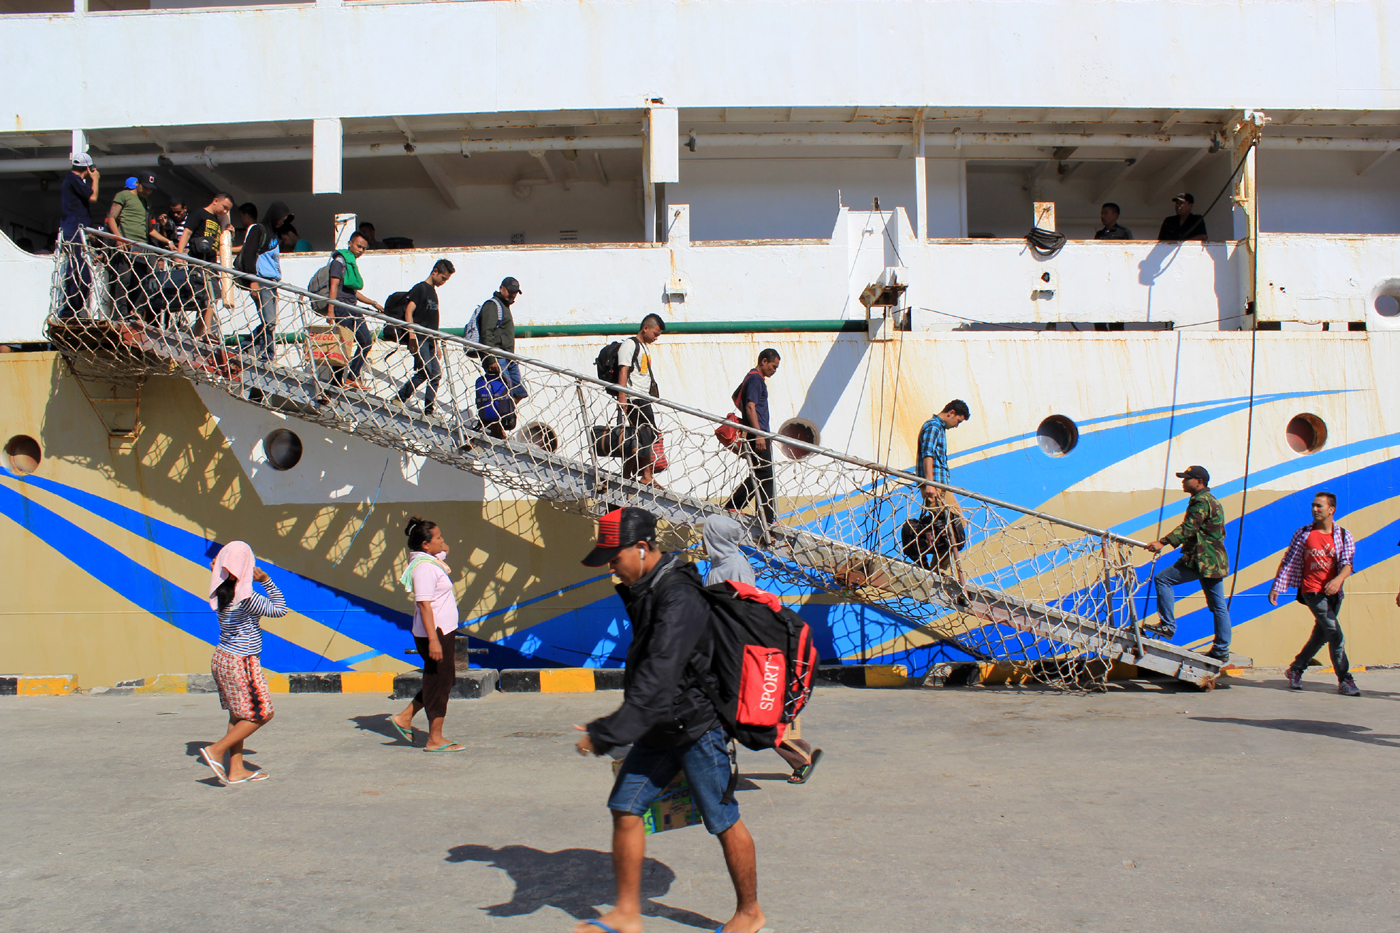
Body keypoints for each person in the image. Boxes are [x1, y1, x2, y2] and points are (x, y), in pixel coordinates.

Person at [574, 508, 768, 933]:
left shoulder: (679, 595)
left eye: (614, 557)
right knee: (625, 807)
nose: (611, 567)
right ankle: (626, 912)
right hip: (661, 725)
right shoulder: (649, 586)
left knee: (723, 819)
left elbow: (661, 675)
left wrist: (606, 732)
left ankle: (750, 912)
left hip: (697, 727)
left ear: (642, 548)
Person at [703, 515, 822, 786]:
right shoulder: (717, 566)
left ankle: (798, 757)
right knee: (723, 713)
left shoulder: (735, 566)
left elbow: (746, 611)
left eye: (706, 534)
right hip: (721, 649)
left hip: (736, 653)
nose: (702, 540)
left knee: (742, 716)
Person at [199, 541, 288, 785]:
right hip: (242, 662)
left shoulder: (222, 590)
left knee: (238, 716)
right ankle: (216, 750)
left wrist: (219, 571)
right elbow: (280, 610)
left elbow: (225, 576)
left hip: (223, 657)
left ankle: (236, 769)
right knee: (262, 713)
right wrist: (267, 580)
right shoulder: (247, 597)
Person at [1270, 492, 1360, 696]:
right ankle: (1345, 679)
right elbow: (1288, 560)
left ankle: (1296, 668)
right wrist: (1277, 586)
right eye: (1313, 506)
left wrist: (1337, 581)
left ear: (1331, 510)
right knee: (1336, 635)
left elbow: (1347, 564)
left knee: (1321, 637)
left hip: (1334, 594)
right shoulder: (1303, 534)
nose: (1315, 509)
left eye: (1319, 506)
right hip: (1311, 591)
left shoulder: (1344, 535)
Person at [389, 516, 466, 751]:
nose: (443, 541)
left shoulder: (428, 559)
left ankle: (404, 717)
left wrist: (441, 546)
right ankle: (434, 739)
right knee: (440, 682)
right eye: (438, 537)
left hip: (442, 631)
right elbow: (424, 604)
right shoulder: (423, 568)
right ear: (425, 544)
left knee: (444, 679)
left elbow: (445, 551)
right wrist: (433, 640)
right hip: (436, 633)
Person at [1142, 465, 1232, 661]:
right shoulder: (1212, 501)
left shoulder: (1200, 501)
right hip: (1214, 561)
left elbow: (1189, 528)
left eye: (1187, 478)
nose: (1183, 481)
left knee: (1162, 579)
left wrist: (1163, 542)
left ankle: (1168, 625)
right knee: (1219, 606)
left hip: (1202, 561)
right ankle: (1221, 650)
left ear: (1198, 482)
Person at [723, 349, 782, 526]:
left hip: (758, 433)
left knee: (759, 473)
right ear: (764, 361)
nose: (774, 370)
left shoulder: (750, 377)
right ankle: (767, 518)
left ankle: (737, 506)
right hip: (759, 434)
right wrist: (758, 433)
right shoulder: (756, 379)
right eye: (773, 366)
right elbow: (750, 406)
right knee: (765, 475)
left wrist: (751, 424)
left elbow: (736, 397)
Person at [915, 399, 971, 586]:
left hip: (941, 485)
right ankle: (935, 569)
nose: (957, 426)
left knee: (953, 527)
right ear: (951, 413)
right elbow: (928, 454)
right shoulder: (933, 427)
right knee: (949, 528)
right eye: (958, 421)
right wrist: (930, 483)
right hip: (935, 485)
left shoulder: (939, 428)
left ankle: (935, 567)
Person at [326, 230, 385, 390]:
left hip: (353, 307)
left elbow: (353, 292)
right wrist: (330, 310)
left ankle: (351, 376)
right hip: (341, 308)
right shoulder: (340, 261)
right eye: (359, 246)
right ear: (350, 243)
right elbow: (334, 285)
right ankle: (336, 382)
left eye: (364, 248)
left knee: (366, 341)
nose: (361, 250)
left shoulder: (351, 263)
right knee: (344, 346)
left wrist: (373, 303)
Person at [395, 259, 455, 416]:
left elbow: (432, 322)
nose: (443, 282)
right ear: (435, 271)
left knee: (435, 374)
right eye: (443, 278)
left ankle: (429, 409)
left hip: (429, 340)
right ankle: (400, 397)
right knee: (426, 371)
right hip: (419, 338)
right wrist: (412, 335)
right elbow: (409, 312)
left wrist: (435, 343)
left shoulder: (433, 292)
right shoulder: (420, 288)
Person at [241, 202, 295, 360]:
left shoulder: (274, 234)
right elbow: (248, 254)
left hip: (272, 283)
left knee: (270, 322)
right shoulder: (259, 229)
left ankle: (247, 347)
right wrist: (252, 280)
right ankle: (266, 355)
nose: (281, 222)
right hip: (261, 280)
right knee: (269, 321)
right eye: (281, 218)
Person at [177, 192, 235, 337]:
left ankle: (200, 333)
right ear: (215, 201)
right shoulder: (199, 214)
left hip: (211, 264)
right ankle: (205, 331)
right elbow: (187, 233)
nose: (225, 211)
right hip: (197, 261)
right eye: (224, 207)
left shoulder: (218, 220)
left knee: (211, 297)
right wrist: (178, 255)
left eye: (228, 209)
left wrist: (230, 232)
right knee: (203, 298)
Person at [617, 314, 665, 487]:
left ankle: (628, 474)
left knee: (643, 436)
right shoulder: (630, 345)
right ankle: (646, 475)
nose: (656, 337)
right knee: (645, 435)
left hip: (643, 398)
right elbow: (624, 370)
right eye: (655, 333)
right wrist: (622, 397)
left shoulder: (645, 347)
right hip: (633, 398)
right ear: (645, 328)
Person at [105, 171, 157, 322]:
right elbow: (112, 218)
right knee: (124, 280)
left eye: (151, 189)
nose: (148, 191)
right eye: (146, 187)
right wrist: (118, 238)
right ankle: (120, 315)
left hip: (143, 247)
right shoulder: (123, 195)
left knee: (145, 280)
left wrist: (168, 243)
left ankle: (137, 312)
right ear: (138, 183)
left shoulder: (147, 203)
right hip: (126, 244)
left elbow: (150, 229)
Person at [57, 153, 100, 318]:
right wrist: (95, 179)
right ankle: (70, 309)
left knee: (81, 269)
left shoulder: (70, 180)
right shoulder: (74, 180)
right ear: (88, 168)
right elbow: (93, 197)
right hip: (75, 230)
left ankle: (74, 308)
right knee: (80, 271)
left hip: (74, 229)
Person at [478, 276, 527, 399]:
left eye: (515, 292)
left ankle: (508, 414)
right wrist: (490, 358)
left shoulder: (504, 306)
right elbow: (487, 333)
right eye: (510, 291)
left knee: (520, 392)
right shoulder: (492, 305)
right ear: (502, 289)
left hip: (509, 357)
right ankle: (502, 416)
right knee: (504, 392)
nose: (512, 295)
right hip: (498, 357)